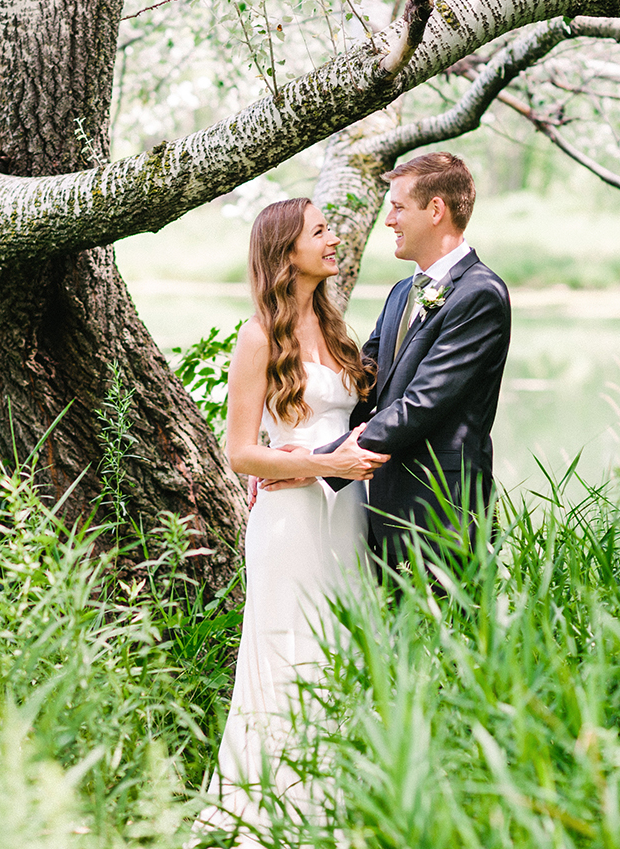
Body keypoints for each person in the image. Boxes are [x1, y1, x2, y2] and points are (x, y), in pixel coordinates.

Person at [201, 197, 388, 838]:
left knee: (339, 648)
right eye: (321, 231)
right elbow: (239, 453)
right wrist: (318, 465)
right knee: (291, 653)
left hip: (348, 520)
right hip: (294, 520)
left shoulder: (336, 330)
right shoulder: (258, 336)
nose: (334, 239)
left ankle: (335, 808)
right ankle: (270, 812)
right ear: (287, 252)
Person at [315, 152, 511, 573]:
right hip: (384, 506)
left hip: (443, 510)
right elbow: (364, 383)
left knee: (446, 636)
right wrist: (296, 448)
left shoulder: (479, 294)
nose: (389, 220)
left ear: (435, 209)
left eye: (398, 207)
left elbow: (421, 404)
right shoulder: (402, 293)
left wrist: (322, 464)